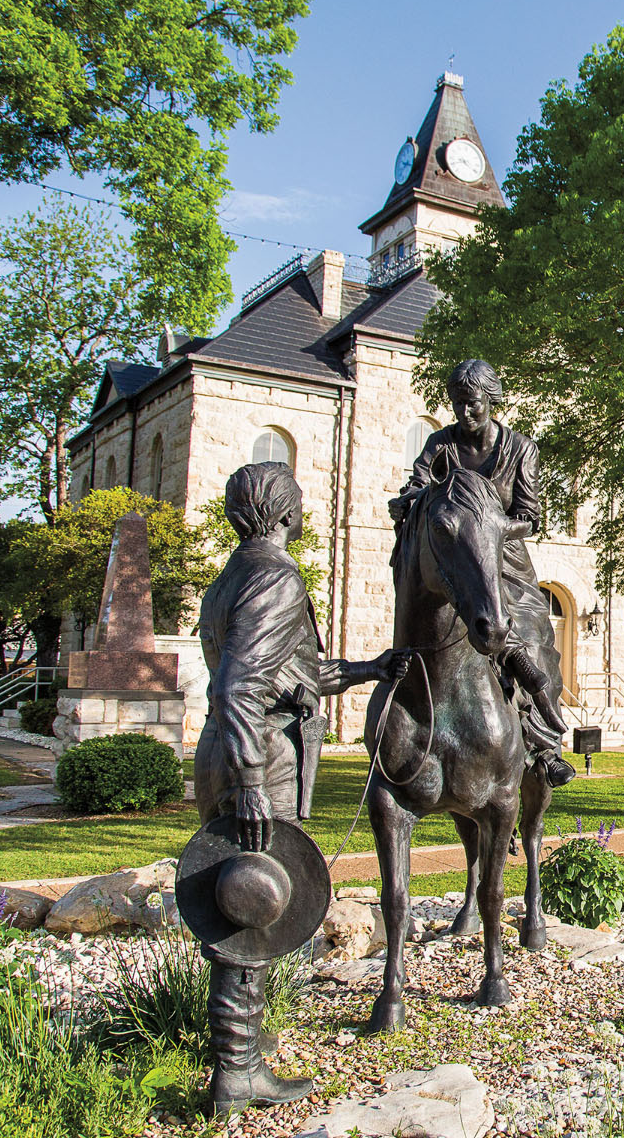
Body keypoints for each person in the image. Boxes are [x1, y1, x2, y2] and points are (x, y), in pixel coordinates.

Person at [197, 461, 411, 1117]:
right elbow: (239, 687)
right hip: (256, 756)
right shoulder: (275, 576)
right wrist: (254, 783)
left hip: (227, 751)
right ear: (288, 511)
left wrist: (370, 668)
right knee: (249, 908)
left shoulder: (232, 575)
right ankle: (235, 1074)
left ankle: (241, 1062)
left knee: (237, 913)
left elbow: (297, 671)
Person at [389, 357, 578, 788]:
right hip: (455, 557)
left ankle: (545, 747)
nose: (464, 412)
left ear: (491, 400)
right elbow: (418, 488)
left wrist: (489, 527)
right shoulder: (440, 445)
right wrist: (406, 502)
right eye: (457, 403)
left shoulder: (519, 449)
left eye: (472, 402)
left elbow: (529, 516)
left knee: (536, 639)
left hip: (505, 561)